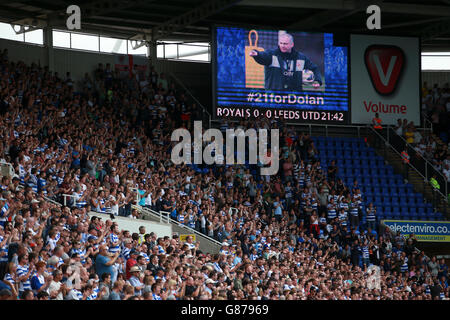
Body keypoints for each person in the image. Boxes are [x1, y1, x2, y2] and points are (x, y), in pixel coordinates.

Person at [249, 32, 322, 91]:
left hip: (294, 97)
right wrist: (257, 54)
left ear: (292, 44)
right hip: (274, 97)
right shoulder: (272, 55)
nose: (282, 46)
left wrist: (318, 81)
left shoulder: (301, 58)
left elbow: (314, 68)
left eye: (285, 44)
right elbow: (263, 56)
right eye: (281, 43)